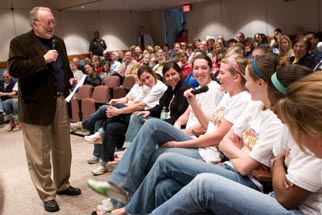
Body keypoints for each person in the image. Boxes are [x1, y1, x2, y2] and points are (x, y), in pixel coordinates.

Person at [88, 53, 284, 215]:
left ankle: (124, 204)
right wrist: (194, 107)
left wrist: (179, 144)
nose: (216, 76)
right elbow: (218, 135)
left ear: (239, 78)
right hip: (217, 154)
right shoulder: (247, 103)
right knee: (156, 155)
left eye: (220, 72)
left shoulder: (246, 101)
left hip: (221, 161)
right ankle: (122, 196)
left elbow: (228, 149)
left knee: (157, 142)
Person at [150, 69, 320, 215]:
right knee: (165, 187)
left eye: (223, 72)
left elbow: (284, 196)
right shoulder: (280, 120)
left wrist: (276, 163)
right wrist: (275, 163)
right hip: (236, 168)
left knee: (197, 179)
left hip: (284, 201)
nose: (273, 108)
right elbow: (224, 142)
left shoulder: (301, 135)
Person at [7, 6, 81, 212]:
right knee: (39, 155)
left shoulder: (59, 42)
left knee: (63, 149)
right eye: (47, 22)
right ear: (34, 24)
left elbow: (64, 67)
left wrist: (69, 79)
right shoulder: (19, 42)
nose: (52, 26)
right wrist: (43, 60)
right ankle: (47, 194)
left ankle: (63, 184)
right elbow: (14, 69)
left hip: (59, 101)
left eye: (53, 22)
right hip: (35, 107)